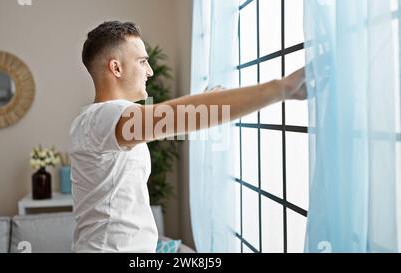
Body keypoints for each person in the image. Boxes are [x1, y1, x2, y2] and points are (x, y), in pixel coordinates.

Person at [69, 21, 306, 253]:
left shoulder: (96, 122)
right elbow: (177, 117)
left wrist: (202, 106)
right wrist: (282, 88)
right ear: (116, 68)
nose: (150, 71)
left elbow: (173, 120)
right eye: (142, 62)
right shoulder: (103, 116)